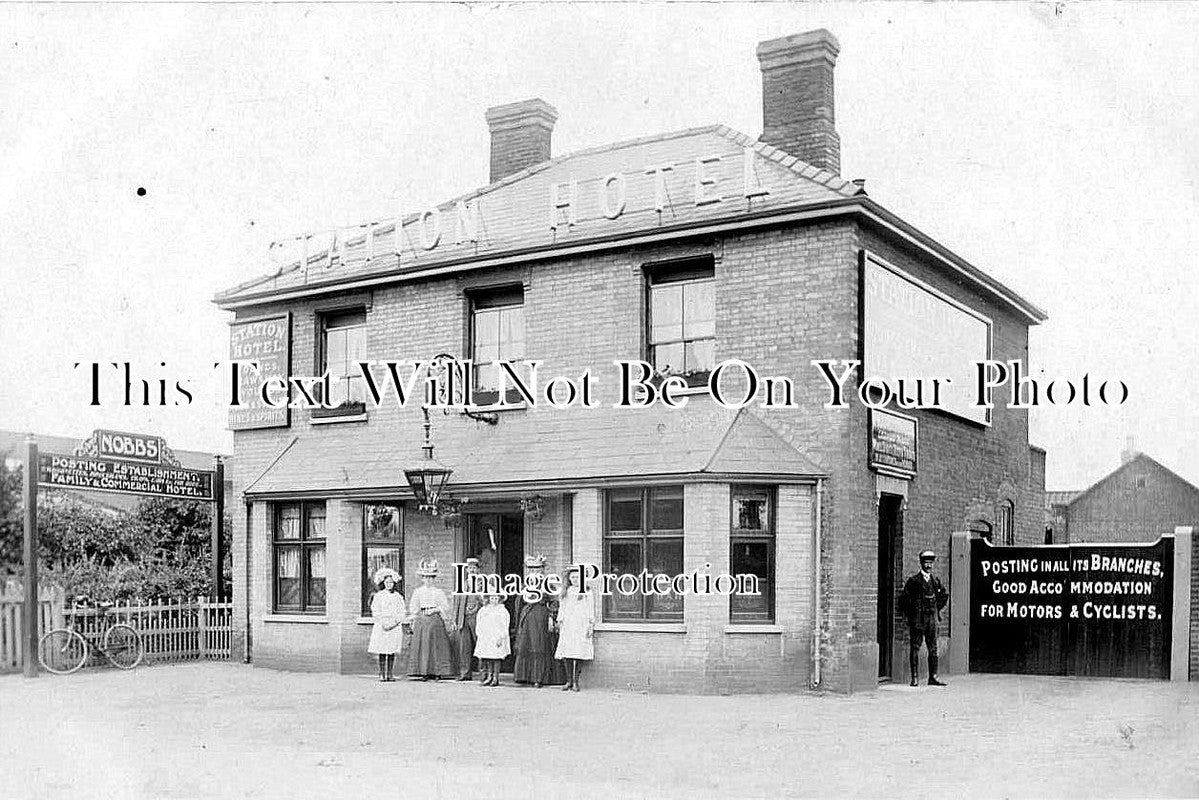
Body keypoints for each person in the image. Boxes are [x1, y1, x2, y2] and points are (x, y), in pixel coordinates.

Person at [899, 549, 949, 687]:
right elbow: (904, 600)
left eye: (930, 563)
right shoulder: (914, 581)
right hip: (918, 620)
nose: (928, 566)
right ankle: (914, 677)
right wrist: (913, 613)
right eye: (926, 563)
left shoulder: (935, 581)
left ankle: (933, 677)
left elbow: (944, 596)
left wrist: (936, 608)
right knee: (915, 647)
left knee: (933, 648)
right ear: (921, 564)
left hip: (931, 619)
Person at [406, 557, 455, 680]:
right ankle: (424, 671)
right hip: (422, 620)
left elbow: (445, 606)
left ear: (434, 579)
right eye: (426, 577)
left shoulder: (439, 592)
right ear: (422, 578)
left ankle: (437, 671)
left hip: (435, 619)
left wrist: (435, 610)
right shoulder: (418, 592)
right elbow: (414, 607)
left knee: (436, 645)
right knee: (424, 646)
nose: (428, 580)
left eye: (431, 578)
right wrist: (414, 618)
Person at [512, 554, 555, 688]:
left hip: (540, 616)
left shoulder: (547, 584)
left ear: (542, 570)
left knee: (538, 645)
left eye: (537, 569)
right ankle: (524, 676)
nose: (534, 572)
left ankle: (538, 678)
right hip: (527, 616)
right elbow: (519, 601)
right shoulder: (525, 584)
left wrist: (551, 617)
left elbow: (554, 602)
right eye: (531, 569)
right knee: (525, 645)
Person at [554, 567, 595, 691]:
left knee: (579, 652)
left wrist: (591, 626)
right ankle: (569, 681)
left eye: (577, 577)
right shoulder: (566, 591)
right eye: (572, 577)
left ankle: (576, 681)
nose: (575, 579)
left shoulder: (587, 591)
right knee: (567, 653)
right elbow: (562, 608)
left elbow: (591, 608)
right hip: (568, 625)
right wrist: (560, 621)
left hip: (581, 625)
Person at [367, 567, 406, 682]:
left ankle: (390, 673)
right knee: (382, 649)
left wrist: (395, 623)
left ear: (394, 583)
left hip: (394, 626)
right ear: (383, 583)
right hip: (382, 625)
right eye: (387, 582)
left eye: (391, 582)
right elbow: (375, 610)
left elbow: (402, 611)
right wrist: (382, 623)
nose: (389, 584)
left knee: (391, 650)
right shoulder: (379, 596)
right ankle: (381, 673)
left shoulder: (398, 597)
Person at [449, 557, 483, 681]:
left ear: (478, 570)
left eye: (474, 568)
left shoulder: (482, 583)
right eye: (470, 568)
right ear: (467, 570)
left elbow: (485, 600)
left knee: (480, 645)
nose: (472, 570)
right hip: (463, 618)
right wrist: (454, 619)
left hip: (477, 618)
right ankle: (465, 673)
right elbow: (457, 603)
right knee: (464, 647)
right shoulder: (462, 584)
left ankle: (483, 673)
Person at [473, 592, 511, 687]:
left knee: (496, 657)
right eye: (492, 598)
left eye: (496, 598)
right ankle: (489, 676)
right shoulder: (483, 610)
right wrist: (480, 634)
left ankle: (495, 677)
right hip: (487, 636)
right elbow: (479, 623)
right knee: (488, 656)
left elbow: (505, 625)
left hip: (496, 636)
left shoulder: (502, 611)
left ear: (499, 599)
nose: (494, 600)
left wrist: (501, 637)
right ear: (488, 599)